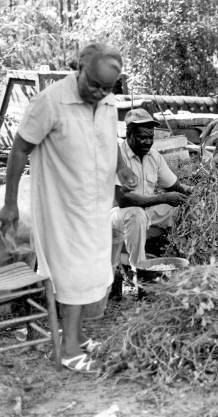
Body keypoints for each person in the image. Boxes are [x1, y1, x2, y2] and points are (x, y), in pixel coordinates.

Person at [0, 43, 138, 373]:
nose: (100, 93)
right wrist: (9, 205)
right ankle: (69, 349)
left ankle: (75, 335)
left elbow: (107, 138)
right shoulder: (50, 102)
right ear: (79, 69)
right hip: (60, 205)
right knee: (72, 277)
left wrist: (122, 168)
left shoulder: (106, 99)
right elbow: (19, 150)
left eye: (107, 88)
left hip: (93, 204)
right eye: (94, 85)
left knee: (91, 272)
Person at [111, 108, 193, 271]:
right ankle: (139, 269)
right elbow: (123, 200)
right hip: (116, 215)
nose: (148, 142)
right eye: (142, 138)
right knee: (137, 214)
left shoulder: (153, 156)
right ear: (129, 134)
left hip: (146, 212)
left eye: (150, 138)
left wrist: (193, 191)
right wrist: (163, 198)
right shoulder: (117, 155)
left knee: (182, 206)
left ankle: (183, 253)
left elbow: (174, 186)